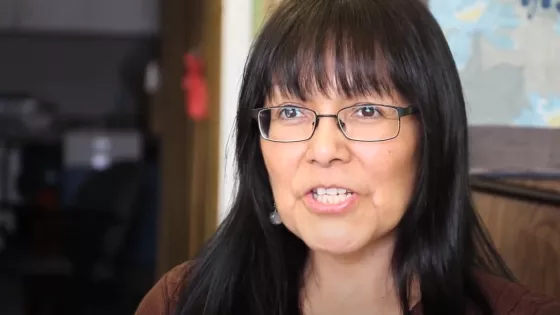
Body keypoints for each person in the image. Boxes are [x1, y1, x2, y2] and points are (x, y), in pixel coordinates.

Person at [136, 0, 560, 314]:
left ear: (431, 134)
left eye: (367, 111)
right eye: (291, 112)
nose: (323, 151)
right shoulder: (181, 302)